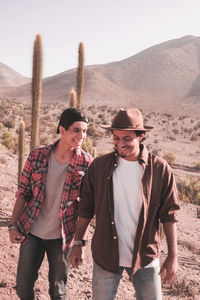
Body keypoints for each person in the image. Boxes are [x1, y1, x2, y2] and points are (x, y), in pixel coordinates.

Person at [70, 108, 180, 300]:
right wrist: (78, 242)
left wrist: (173, 255)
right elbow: (86, 208)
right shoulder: (99, 166)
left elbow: (169, 215)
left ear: (141, 136)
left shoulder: (160, 169)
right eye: (116, 137)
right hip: (106, 254)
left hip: (145, 256)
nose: (120, 143)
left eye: (127, 138)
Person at [8, 108, 93, 300]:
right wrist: (13, 225)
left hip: (63, 237)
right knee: (22, 287)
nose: (82, 136)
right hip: (32, 233)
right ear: (62, 130)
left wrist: (81, 242)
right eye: (76, 130)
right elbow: (23, 192)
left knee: (58, 292)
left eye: (85, 131)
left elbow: (86, 208)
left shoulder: (87, 164)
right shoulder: (37, 156)